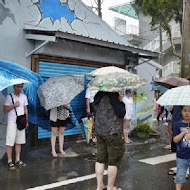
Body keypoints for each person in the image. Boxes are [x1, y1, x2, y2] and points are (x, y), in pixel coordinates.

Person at [94, 91, 126, 190]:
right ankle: (110, 187)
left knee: (100, 159)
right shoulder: (113, 96)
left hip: (100, 132)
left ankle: (99, 186)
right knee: (113, 161)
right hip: (113, 133)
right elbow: (121, 113)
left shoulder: (98, 96)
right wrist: (121, 101)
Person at [3, 83, 28, 169]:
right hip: (12, 122)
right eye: (18, 86)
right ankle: (9, 161)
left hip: (21, 121)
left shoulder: (24, 97)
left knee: (19, 141)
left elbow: (25, 109)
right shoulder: (9, 97)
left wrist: (26, 121)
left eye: (21, 87)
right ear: (14, 87)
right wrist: (14, 105)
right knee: (10, 142)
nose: (19, 88)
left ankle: (18, 159)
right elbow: (5, 109)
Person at [173, 106, 190, 190]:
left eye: (189, 111)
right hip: (181, 156)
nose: (187, 113)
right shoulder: (177, 125)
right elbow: (175, 140)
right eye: (185, 111)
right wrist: (183, 133)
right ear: (181, 112)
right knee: (180, 176)